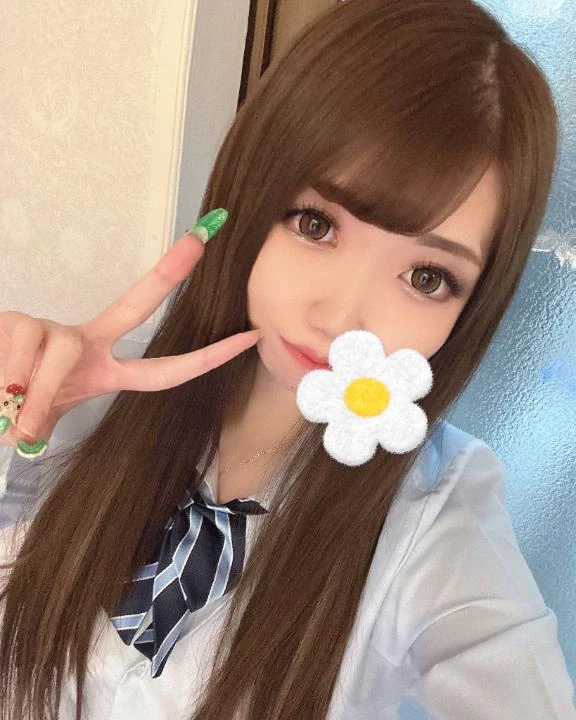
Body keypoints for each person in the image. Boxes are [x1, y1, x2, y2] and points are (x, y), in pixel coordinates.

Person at [0, 0, 574, 717]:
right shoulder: (98, 395)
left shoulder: (438, 517)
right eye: (316, 223)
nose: (339, 318)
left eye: (427, 277)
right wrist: (21, 413)